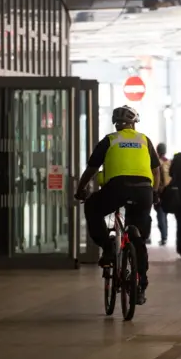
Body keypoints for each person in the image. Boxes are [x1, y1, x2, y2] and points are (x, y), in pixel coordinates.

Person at [74, 105, 161, 305]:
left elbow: (91, 169)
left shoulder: (110, 140)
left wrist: (81, 189)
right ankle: (140, 286)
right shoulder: (144, 140)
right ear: (134, 124)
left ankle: (108, 248)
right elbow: (156, 171)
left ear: (116, 124)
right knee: (138, 237)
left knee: (93, 208)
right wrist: (154, 192)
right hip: (143, 191)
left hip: (117, 188)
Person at [154, 143, 172, 245]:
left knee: (161, 215)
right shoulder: (169, 162)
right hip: (169, 192)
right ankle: (165, 235)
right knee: (164, 215)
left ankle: (164, 237)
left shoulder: (157, 163)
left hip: (160, 192)